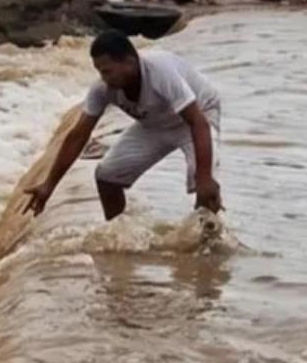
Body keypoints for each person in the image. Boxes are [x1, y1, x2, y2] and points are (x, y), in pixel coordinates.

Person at [24, 31, 222, 221]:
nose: (104, 78)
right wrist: (49, 185)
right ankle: (118, 230)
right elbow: (78, 136)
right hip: (154, 124)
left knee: (204, 181)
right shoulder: (102, 89)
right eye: (100, 71)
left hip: (198, 115)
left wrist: (203, 177)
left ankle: (207, 240)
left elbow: (198, 122)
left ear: (130, 62)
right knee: (106, 176)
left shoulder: (160, 71)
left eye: (108, 71)